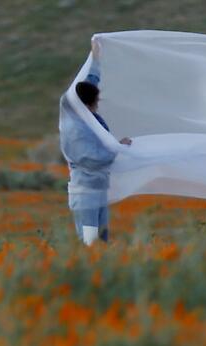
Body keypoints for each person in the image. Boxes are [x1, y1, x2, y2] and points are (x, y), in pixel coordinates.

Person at [61, 39, 131, 246]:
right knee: (90, 242)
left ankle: (100, 271)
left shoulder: (85, 117)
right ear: (87, 104)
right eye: (95, 103)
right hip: (85, 196)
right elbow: (93, 158)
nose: (97, 106)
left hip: (98, 191)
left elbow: (90, 81)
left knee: (102, 241)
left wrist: (95, 57)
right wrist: (118, 148)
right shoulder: (76, 130)